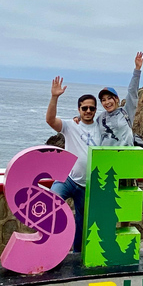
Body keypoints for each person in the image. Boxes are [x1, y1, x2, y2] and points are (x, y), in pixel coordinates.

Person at [45, 76, 102, 253]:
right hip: (67, 179)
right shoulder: (70, 125)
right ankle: (49, 248)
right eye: (84, 108)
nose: (88, 111)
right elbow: (50, 120)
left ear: (95, 110)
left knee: (81, 225)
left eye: (91, 108)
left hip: (88, 186)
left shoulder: (102, 127)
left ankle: (76, 256)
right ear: (79, 109)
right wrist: (54, 97)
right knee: (51, 206)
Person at [96, 52, 143, 146]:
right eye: (103, 100)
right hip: (105, 157)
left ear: (117, 99)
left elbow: (132, 92)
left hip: (125, 156)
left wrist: (137, 70)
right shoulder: (100, 118)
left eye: (109, 98)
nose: (107, 102)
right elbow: (89, 128)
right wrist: (79, 118)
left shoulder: (126, 111)